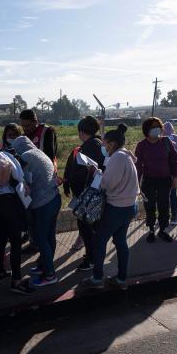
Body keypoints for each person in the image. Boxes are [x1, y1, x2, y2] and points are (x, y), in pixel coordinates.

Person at [82, 124, 139, 290]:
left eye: (104, 144)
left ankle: (97, 278)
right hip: (129, 206)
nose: (103, 147)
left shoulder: (117, 158)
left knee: (99, 241)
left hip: (116, 208)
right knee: (120, 241)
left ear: (112, 144)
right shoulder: (126, 156)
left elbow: (108, 184)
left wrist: (97, 174)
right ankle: (121, 279)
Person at [0, 145, 34, 294]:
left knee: (1, 238)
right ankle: (17, 281)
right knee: (16, 241)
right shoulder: (5, 155)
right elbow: (18, 175)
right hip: (7, 200)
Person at [11, 136, 61, 287]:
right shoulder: (38, 152)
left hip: (43, 203)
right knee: (50, 235)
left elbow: (24, 181)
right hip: (54, 198)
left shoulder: (26, 156)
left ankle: (50, 275)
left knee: (41, 238)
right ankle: (45, 265)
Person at [63, 116, 105, 272]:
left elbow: (82, 173)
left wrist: (69, 181)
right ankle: (93, 255)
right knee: (92, 227)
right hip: (95, 193)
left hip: (86, 196)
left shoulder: (87, 148)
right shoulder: (99, 144)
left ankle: (91, 258)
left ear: (81, 132)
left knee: (86, 227)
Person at [135, 117, 177, 243]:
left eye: (158, 126)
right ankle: (150, 230)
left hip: (165, 180)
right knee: (149, 206)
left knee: (164, 205)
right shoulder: (141, 145)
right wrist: (137, 184)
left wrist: (175, 177)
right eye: (153, 127)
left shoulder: (166, 142)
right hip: (148, 181)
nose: (157, 129)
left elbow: (175, 160)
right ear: (147, 130)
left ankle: (163, 230)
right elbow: (138, 166)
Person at [162, 121, 177, 225]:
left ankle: (163, 217)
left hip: (163, 170)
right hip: (175, 169)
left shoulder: (161, 139)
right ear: (172, 129)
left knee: (163, 194)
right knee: (173, 193)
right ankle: (174, 217)